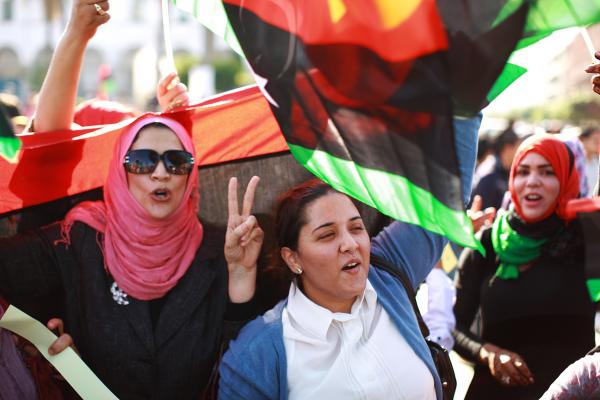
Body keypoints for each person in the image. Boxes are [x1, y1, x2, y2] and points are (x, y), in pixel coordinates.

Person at [218, 117, 480, 400]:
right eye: (327, 235)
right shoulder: (255, 356)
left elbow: (446, 193)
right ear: (293, 259)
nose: (350, 244)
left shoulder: (387, 272)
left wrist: (465, 100)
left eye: (356, 227)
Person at [453, 134, 596, 399]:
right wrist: (487, 353)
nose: (532, 181)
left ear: (566, 180)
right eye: (523, 171)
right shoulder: (488, 242)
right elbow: (454, 326)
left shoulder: (586, 238)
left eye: (547, 172)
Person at [471, 124, 521, 210]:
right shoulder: (489, 175)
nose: (521, 152)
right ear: (508, 148)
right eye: (518, 147)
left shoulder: (506, 170)